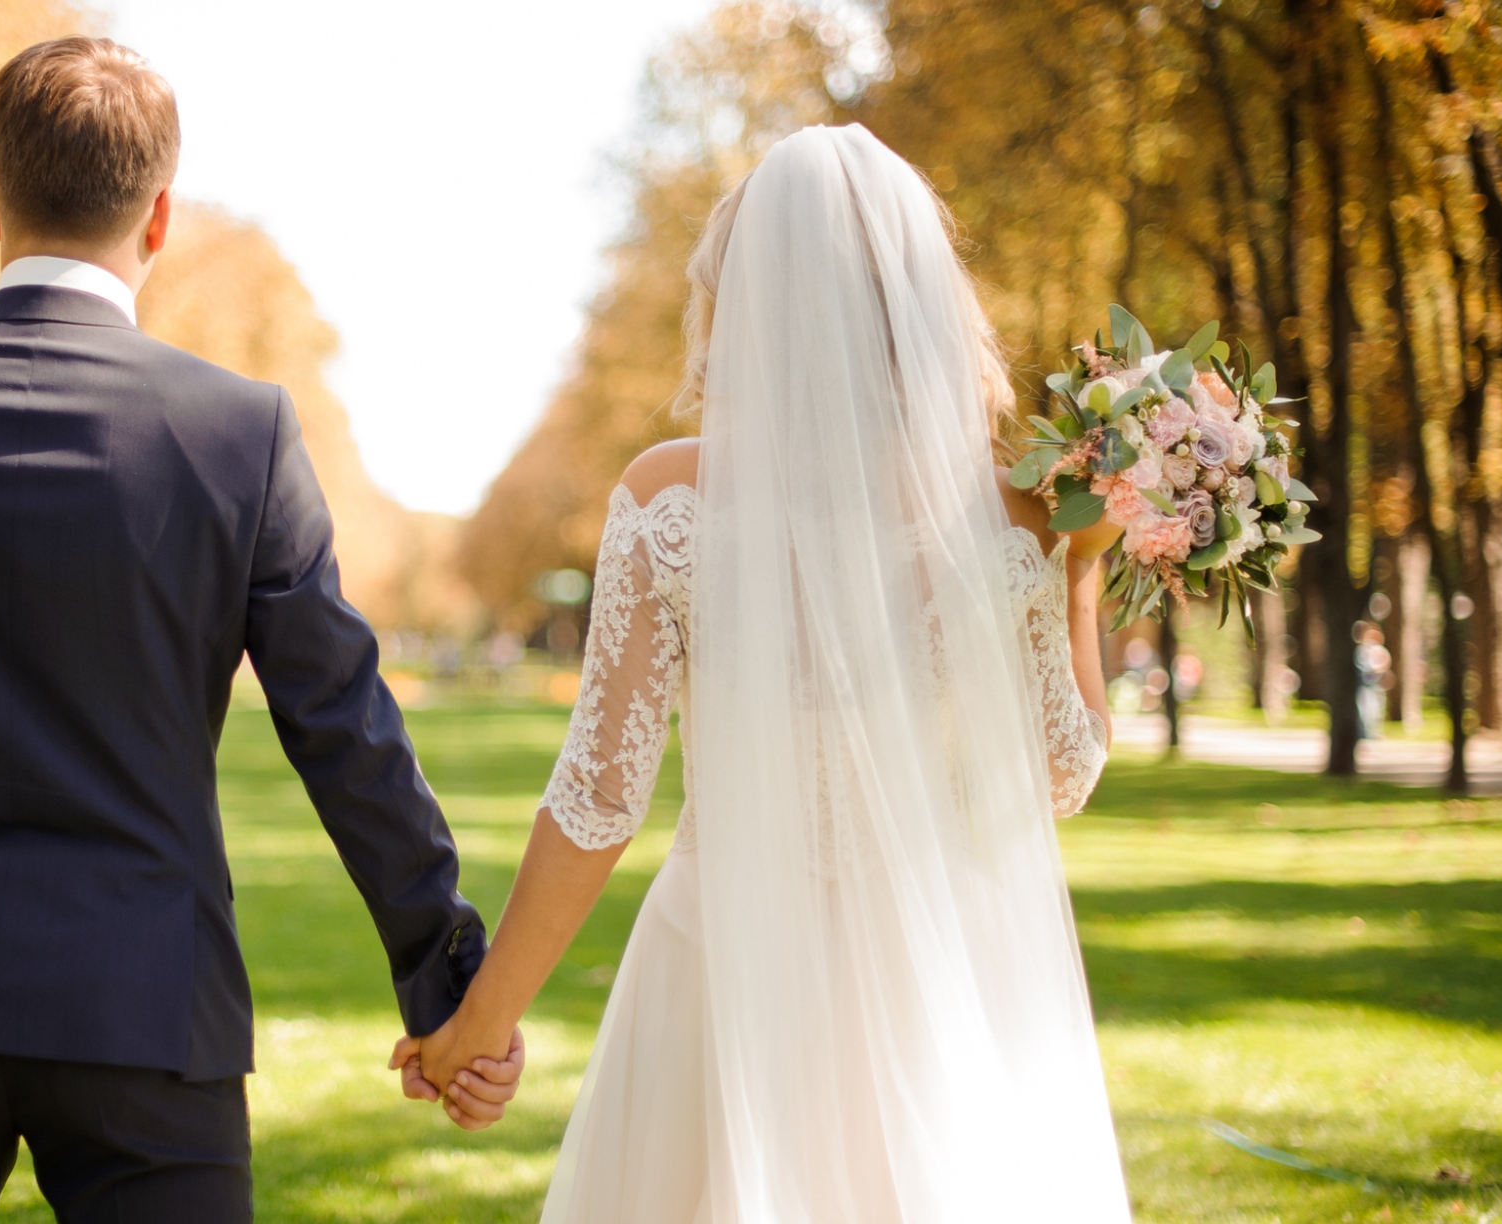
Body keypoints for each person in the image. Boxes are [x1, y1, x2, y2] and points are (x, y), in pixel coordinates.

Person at [0, 37, 511, 1224]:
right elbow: (343, 727)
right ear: (159, 218)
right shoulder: (239, 433)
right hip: (150, 1006)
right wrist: (448, 984)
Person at [391, 126, 1136, 1221]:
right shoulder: (1016, 513)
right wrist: (1081, 584)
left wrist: (481, 1023)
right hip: (943, 977)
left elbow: (601, 797)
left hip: (725, 971)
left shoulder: (671, 504)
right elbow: (1062, 777)